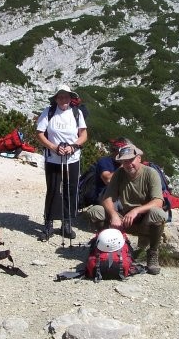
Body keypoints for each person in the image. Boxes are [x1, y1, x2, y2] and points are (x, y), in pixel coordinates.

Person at [85, 143, 167, 275]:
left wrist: (136, 211)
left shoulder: (151, 174)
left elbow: (158, 201)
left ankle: (152, 253)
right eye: (125, 161)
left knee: (158, 214)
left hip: (144, 220)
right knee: (96, 211)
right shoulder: (119, 174)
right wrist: (113, 215)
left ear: (139, 158)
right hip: (123, 220)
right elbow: (107, 198)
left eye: (131, 160)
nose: (129, 164)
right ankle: (105, 248)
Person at [36, 84, 88, 241]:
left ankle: (67, 223)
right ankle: (49, 223)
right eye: (60, 96)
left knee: (70, 190)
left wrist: (73, 146)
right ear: (56, 98)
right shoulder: (49, 112)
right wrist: (53, 147)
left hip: (72, 159)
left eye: (66, 96)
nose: (63, 99)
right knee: (52, 190)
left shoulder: (77, 113)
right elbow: (39, 134)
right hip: (53, 158)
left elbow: (83, 134)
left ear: (70, 98)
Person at [91, 137, 131, 205]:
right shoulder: (104, 161)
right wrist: (124, 165)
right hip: (106, 198)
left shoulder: (130, 164)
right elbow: (108, 180)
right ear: (117, 150)